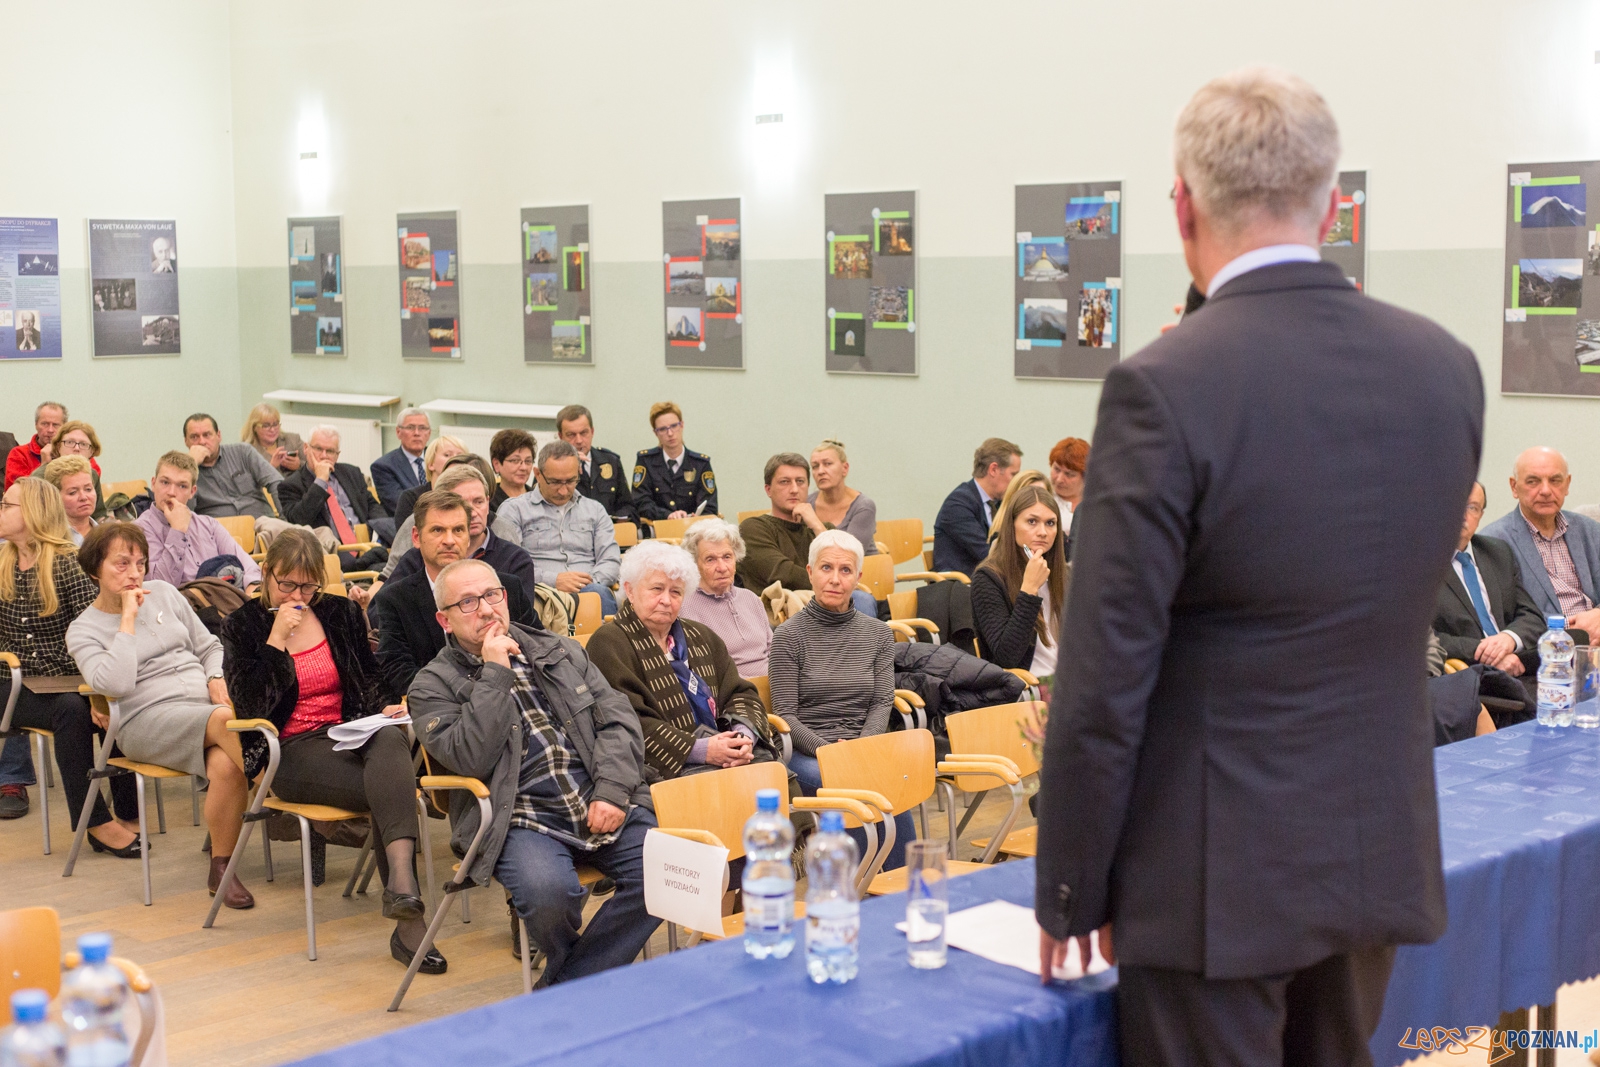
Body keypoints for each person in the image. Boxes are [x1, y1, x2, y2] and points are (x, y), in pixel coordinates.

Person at [1033, 68, 1481, 1065]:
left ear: (1182, 205)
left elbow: (1105, 677)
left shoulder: (1164, 384)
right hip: (1372, 848)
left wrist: (1069, 883)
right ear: (1331, 202)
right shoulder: (1441, 364)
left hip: (1211, 879)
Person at [411, 559, 659, 986]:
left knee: (669, 871)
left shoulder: (560, 650)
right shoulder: (431, 686)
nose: (486, 609)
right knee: (549, 898)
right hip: (519, 818)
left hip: (596, 795)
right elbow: (470, 757)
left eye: (492, 595)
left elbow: (618, 722)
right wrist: (494, 673)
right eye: (468, 602)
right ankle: (581, 985)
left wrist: (613, 790)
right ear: (444, 619)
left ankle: (563, 988)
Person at [220, 529, 439, 971]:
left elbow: (369, 679)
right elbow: (250, 705)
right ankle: (407, 915)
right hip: (292, 749)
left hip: (351, 732)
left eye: (309, 585)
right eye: (288, 585)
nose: (299, 595)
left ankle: (400, 888)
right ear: (267, 575)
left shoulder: (338, 612)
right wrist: (276, 640)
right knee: (393, 787)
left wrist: (387, 707)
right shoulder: (243, 625)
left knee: (390, 737)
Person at [66, 523, 254, 908]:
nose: (134, 573)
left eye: (140, 562)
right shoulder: (82, 629)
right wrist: (127, 621)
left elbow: (209, 646)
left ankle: (222, 868)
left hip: (202, 709)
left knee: (225, 765)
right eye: (121, 563)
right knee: (224, 720)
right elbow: (114, 685)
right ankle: (282, 790)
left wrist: (215, 675)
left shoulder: (166, 593)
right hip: (143, 723)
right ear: (94, 571)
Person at [0, 478, 140, 845]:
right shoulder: (0, 564)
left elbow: (97, 631)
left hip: (67, 680)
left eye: (7, 505)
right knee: (72, 711)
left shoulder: (67, 565)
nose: (0, 511)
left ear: (31, 514)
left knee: (114, 700)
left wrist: (97, 694)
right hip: (10, 684)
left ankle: (129, 811)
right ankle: (94, 823)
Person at [768, 529, 912, 869]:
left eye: (845, 570)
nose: (835, 579)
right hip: (807, 750)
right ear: (810, 572)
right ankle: (864, 884)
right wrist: (831, 752)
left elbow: (882, 700)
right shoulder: (788, 637)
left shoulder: (877, 633)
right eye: (826, 568)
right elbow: (786, 714)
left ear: (859, 577)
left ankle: (901, 880)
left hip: (863, 743)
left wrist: (861, 747)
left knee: (897, 777)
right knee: (853, 782)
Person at [587, 540, 775, 781]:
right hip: (666, 771)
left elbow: (740, 693)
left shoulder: (701, 635)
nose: (666, 600)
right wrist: (701, 750)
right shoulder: (608, 643)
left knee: (775, 783)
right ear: (630, 590)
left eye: (675, 592)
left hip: (730, 755)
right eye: (657, 589)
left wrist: (742, 736)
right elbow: (627, 721)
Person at [369, 490, 541, 695]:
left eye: (458, 530)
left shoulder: (507, 587)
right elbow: (397, 671)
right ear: (416, 537)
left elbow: (538, 647)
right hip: (440, 704)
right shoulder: (395, 599)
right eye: (438, 530)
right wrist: (464, 694)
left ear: (469, 537)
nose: (449, 540)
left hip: (518, 694)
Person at [1481, 447, 1600, 641]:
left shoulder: (1590, 530)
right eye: (1533, 481)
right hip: (1542, 650)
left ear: (1567, 484)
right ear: (1514, 487)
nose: (1545, 491)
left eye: (1555, 480)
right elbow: (1501, 616)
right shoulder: (1493, 542)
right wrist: (1573, 629)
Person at [738, 453, 877, 616]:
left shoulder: (822, 529)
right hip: (777, 614)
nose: (794, 489)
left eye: (800, 481)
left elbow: (847, 566)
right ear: (768, 489)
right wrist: (834, 585)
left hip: (824, 603)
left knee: (862, 599)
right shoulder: (754, 528)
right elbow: (784, 575)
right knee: (858, 600)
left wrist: (817, 525)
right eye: (785, 482)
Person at [1433, 482, 1543, 679]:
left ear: (1481, 516)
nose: (1462, 516)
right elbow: (1423, 638)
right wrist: (1490, 653)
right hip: (1467, 676)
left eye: (1472, 508)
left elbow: (1531, 616)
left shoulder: (1497, 552)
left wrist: (1508, 639)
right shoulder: (1416, 566)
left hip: (1519, 666)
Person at [183, 413, 336, 549]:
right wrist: (190, 467)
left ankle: (333, 572)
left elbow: (275, 482)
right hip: (222, 535)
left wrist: (285, 519)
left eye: (207, 435)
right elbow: (185, 512)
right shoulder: (182, 473)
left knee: (325, 533)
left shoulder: (242, 452)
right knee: (303, 540)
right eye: (194, 437)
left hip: (266, 528)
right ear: (186, 442)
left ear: (218, 436)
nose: (202, 441)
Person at [501, 441, 621, 615]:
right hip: (539, 593)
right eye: (555, 482)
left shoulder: (595, 510)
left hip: (590, 592)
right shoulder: (514, 510)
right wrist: (553, 581)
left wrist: (589, 582)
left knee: (600, 595)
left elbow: (610, 559)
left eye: (571, 481)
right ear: (538, 474)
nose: (564, 491)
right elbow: (509, 564)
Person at [971, 484, 1067, 684]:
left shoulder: (1064, 574)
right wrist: (1029, 590)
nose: (1043, 532)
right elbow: (1007, 657)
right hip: (1028, 687)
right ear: (1012, 525)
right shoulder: (988, 578)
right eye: (1032, 521)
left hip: (1070, 680)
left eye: (1050, 523)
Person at [135, 452, 262, 590]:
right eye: (165, 482)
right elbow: (161, 587)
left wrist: (251, 588)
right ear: (153, 484)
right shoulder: (139, 530)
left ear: (192, 491)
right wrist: (178, 531)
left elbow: (249, 567)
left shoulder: (209, 524)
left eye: (182, 486)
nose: (171, 492)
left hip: (224, 601)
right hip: (180, 607)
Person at [679, 519, 772, 677]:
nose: (722, 567)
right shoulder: (684, 607)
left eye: (727, 557)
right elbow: (700, 670)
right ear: (695, 564)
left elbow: (775, 652)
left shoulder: (751, 599)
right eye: (711, 559)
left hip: (776, 688)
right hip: (732, 693)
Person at [278, 425, 394, 547]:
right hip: (328, 549)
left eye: (330, 451)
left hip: (366, 543)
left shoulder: (352, 473)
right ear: (306, 448)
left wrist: (379, 533)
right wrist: (320, 481)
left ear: (337, 455)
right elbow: (299, 521)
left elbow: (372, 506)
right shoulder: (290, 485)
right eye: (318, 449)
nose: (324, 456)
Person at [932, 438, 1022, 575]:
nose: (1016, 481)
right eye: (1014, 474)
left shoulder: (998, 504)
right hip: (959, 587)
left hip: (985, 582)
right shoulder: (958, 505)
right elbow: (986, 554)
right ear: (994, 469)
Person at [633, 402, 716, 522]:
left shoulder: (700, 464)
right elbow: (640, 502)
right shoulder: (646, 462)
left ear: (682, 425)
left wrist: (694, 519)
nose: (670, 433)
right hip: (658, 531)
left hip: (694, 531)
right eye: (662, 429)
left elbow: (710, 506)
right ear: (655, 433)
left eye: (674, 426)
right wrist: (667, 515)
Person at [557, 404, 635, 522]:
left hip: (608, 533)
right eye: (571, 435)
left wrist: (618, 519)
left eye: (584, 433)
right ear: (561, 436)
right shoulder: (550, 466)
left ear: (592, 432)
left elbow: (627, 506)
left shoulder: (610, 461)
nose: (578, 440)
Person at [807, 440, 877, 555]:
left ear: (845, 468)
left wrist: (815, 523)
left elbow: (847, 555)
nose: (820, 471)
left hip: (863, 571)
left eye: (828, 464)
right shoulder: (807, 503)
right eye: (815, 466)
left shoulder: (863, 506)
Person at [37, 421, 108, 520]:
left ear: (91, 451)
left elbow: (99, 515)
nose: (77, 448)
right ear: (58, 447)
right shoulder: (40, 477)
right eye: (70, 442)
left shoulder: (92, 474)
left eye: (83, 444)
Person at [370, 408, 433, 516]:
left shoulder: (436, 459)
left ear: (429, 433)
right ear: (398, 432)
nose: (417, 433)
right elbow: (401, 506)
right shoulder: (383, 467)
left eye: (422, 428)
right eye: (410, 428)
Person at [394, 434, 466, 523]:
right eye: (447, 455)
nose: (455, 459)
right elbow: (405, 535)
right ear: (431, 464)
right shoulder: (411, 498)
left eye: (460, 455)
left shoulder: (469, 496)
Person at [5, 401, 66, 489]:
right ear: (36, 425)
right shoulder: (19, 454)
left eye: (56, 425)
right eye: (45, 424)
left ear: (64, 427)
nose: (50, 430)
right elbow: (15, 492)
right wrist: (43, 466)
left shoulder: (76, 451)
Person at [41, 457, 100, 546]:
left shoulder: (107, 535)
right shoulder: (47, 539)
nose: (83, 497)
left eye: (88, 489)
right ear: (55, 497)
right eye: (73, 492)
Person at [241, 402, 303, 475]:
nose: (272, 430)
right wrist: (271, 467)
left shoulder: (293, 439)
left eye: (275, 424)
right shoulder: (247, 451)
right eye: (266, 426)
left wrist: (299, 465)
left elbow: (316, 465)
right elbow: (247, 482)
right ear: (254, 427)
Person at [1048, 437, 1089, 537]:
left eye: (1069, 474)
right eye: (1056, 469)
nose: (1059, 479)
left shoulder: (1096, 505)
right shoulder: (1041, 499)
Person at [489, 428, 536, 510]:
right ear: (496, 464)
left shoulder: (538, 498)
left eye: (528, 461)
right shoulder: (489, 502)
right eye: (515, 461)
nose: (523, 468)